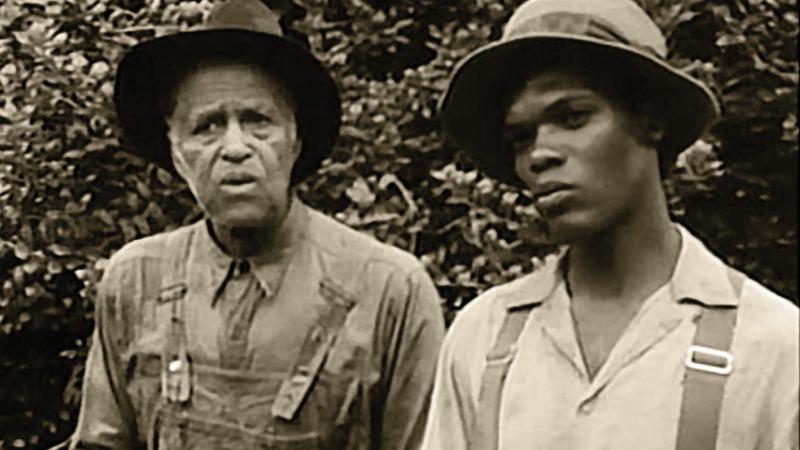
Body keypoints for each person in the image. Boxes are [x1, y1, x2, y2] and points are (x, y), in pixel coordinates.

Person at [67, 0, 445, 447]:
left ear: (295, 140)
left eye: (257, 121)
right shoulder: (136, 279)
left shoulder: (389, 289)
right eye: (207, 126)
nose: (235, 147)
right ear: (176, 152)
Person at [422, 0, 799, 449]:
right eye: (521, 137)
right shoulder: (483, 338)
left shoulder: (772, 346)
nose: (540, 154)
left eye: (572, 117)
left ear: (651, 121)